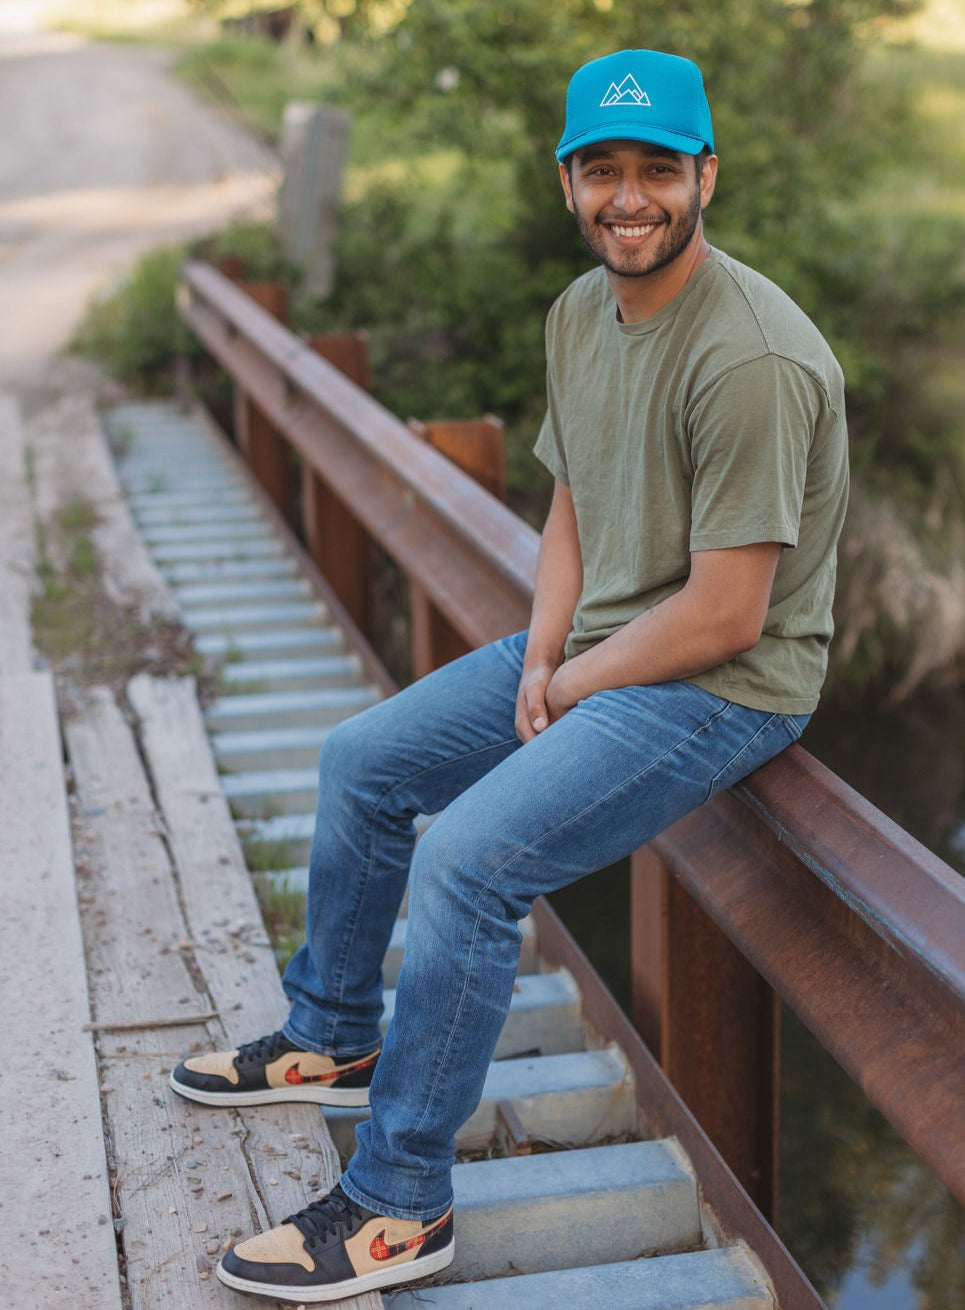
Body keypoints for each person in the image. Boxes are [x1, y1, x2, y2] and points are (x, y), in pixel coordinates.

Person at [170, 47, 849, 1304]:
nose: (628, 197)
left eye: (657, 170)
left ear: (708, 175)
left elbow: (726, 608)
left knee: (466, 860)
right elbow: (573, 500)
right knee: (361, 762)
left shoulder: (749, 356)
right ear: (566, 181)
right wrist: (542, 650)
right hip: (600, 640)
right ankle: (329, 1036)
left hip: (722, 682)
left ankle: (396, 1204)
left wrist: (578, 685)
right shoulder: (578, 312)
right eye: (603, 171)